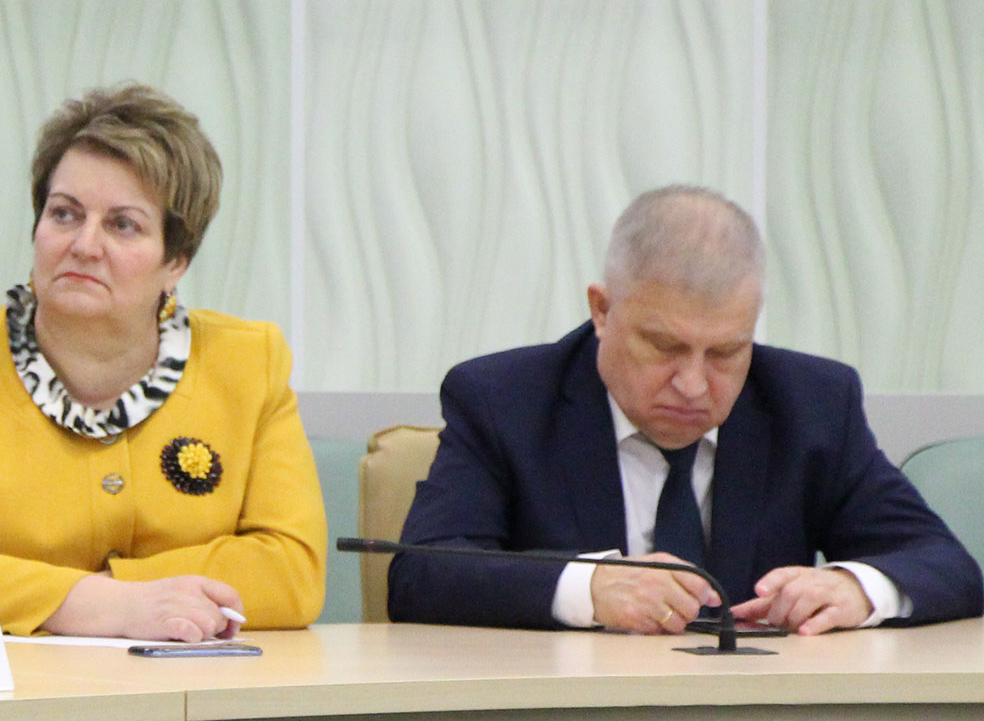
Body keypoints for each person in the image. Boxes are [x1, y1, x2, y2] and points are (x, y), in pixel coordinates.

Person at [389, 185, 981, 634]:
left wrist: (858, 587)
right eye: (664, 347)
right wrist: (586, 586)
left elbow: (946, 565)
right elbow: (420, 574)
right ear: (602, 311)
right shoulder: (504, 399)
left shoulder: (811, 404)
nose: (694, 385)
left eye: (725, 352)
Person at [0, 83, 325, 641]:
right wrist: (116, 606)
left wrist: (110, 596)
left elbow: (291, 570)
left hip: (196, 686)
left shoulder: (248, 363)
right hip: (13, 688)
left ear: (176, 260)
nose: (84, 244)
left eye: (122, 224)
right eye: (64, 214)